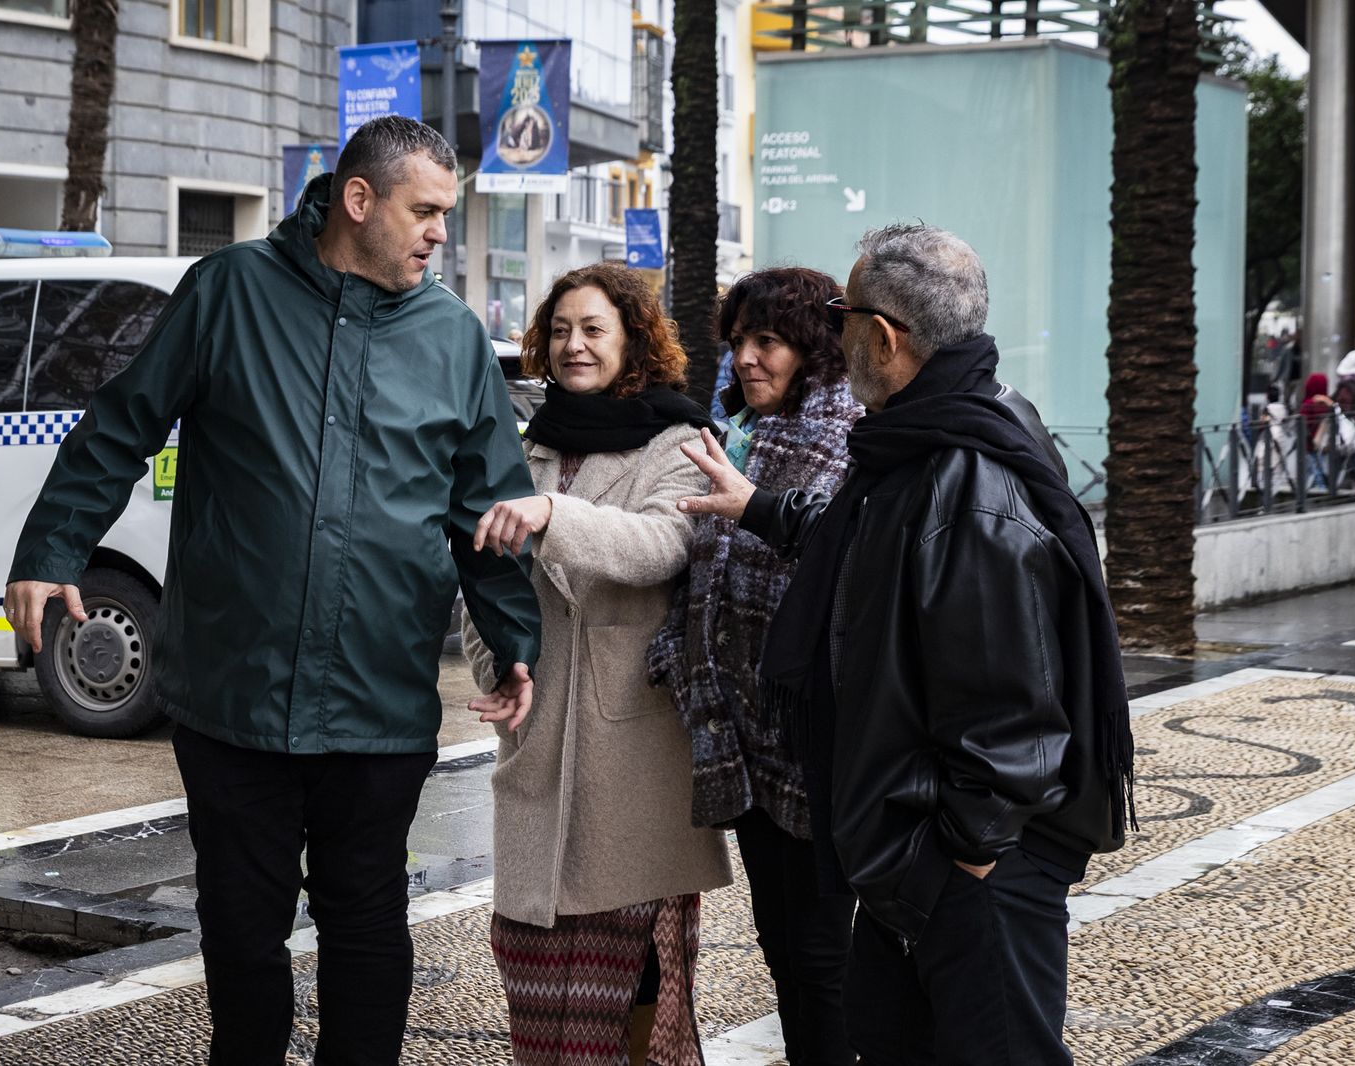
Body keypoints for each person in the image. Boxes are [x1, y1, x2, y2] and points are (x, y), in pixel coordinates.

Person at [3, 116, 541, 1066]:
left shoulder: (454, 336)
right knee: (243, 931)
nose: (438, 235)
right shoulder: (229, 292)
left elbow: (488, 510)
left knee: (367, 922)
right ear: (359, 201)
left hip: (378, 701)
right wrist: (49, 551)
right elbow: (120, 428)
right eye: (425, 211)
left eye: (446, 216)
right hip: (231, 696)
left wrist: (515, 641)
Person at [675, 223, 1133, 1065]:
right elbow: (873, 543)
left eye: (843, 314)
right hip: (921, 857)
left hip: (976, 866)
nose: (836, 330)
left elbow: (1011, 708)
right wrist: (760, 506)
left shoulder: (966, 475)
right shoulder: (932, 435)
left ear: (881, 337)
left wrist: (963, 855)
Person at [462, 262, 731, 1066]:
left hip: (632, 759)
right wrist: (499, 662)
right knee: (532, 951)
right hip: (541, 741)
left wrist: (554, 514)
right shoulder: (530, 445)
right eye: (561, 330)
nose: (574, 345)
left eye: (594, 330)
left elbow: (660, 545)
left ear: (633, 341)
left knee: (638, 968)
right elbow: (485, 576)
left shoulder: (679, 441)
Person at [648, 267, 863, 1066]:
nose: (747, 359)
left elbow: (845, 580)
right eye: (738, 342)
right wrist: (678, 652)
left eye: (767, 341)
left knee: (821, 956)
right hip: (745, 739)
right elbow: (704, 572)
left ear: (812, 349)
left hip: (818, 745)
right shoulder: (739, 436)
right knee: (786, 950)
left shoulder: (848, 444)